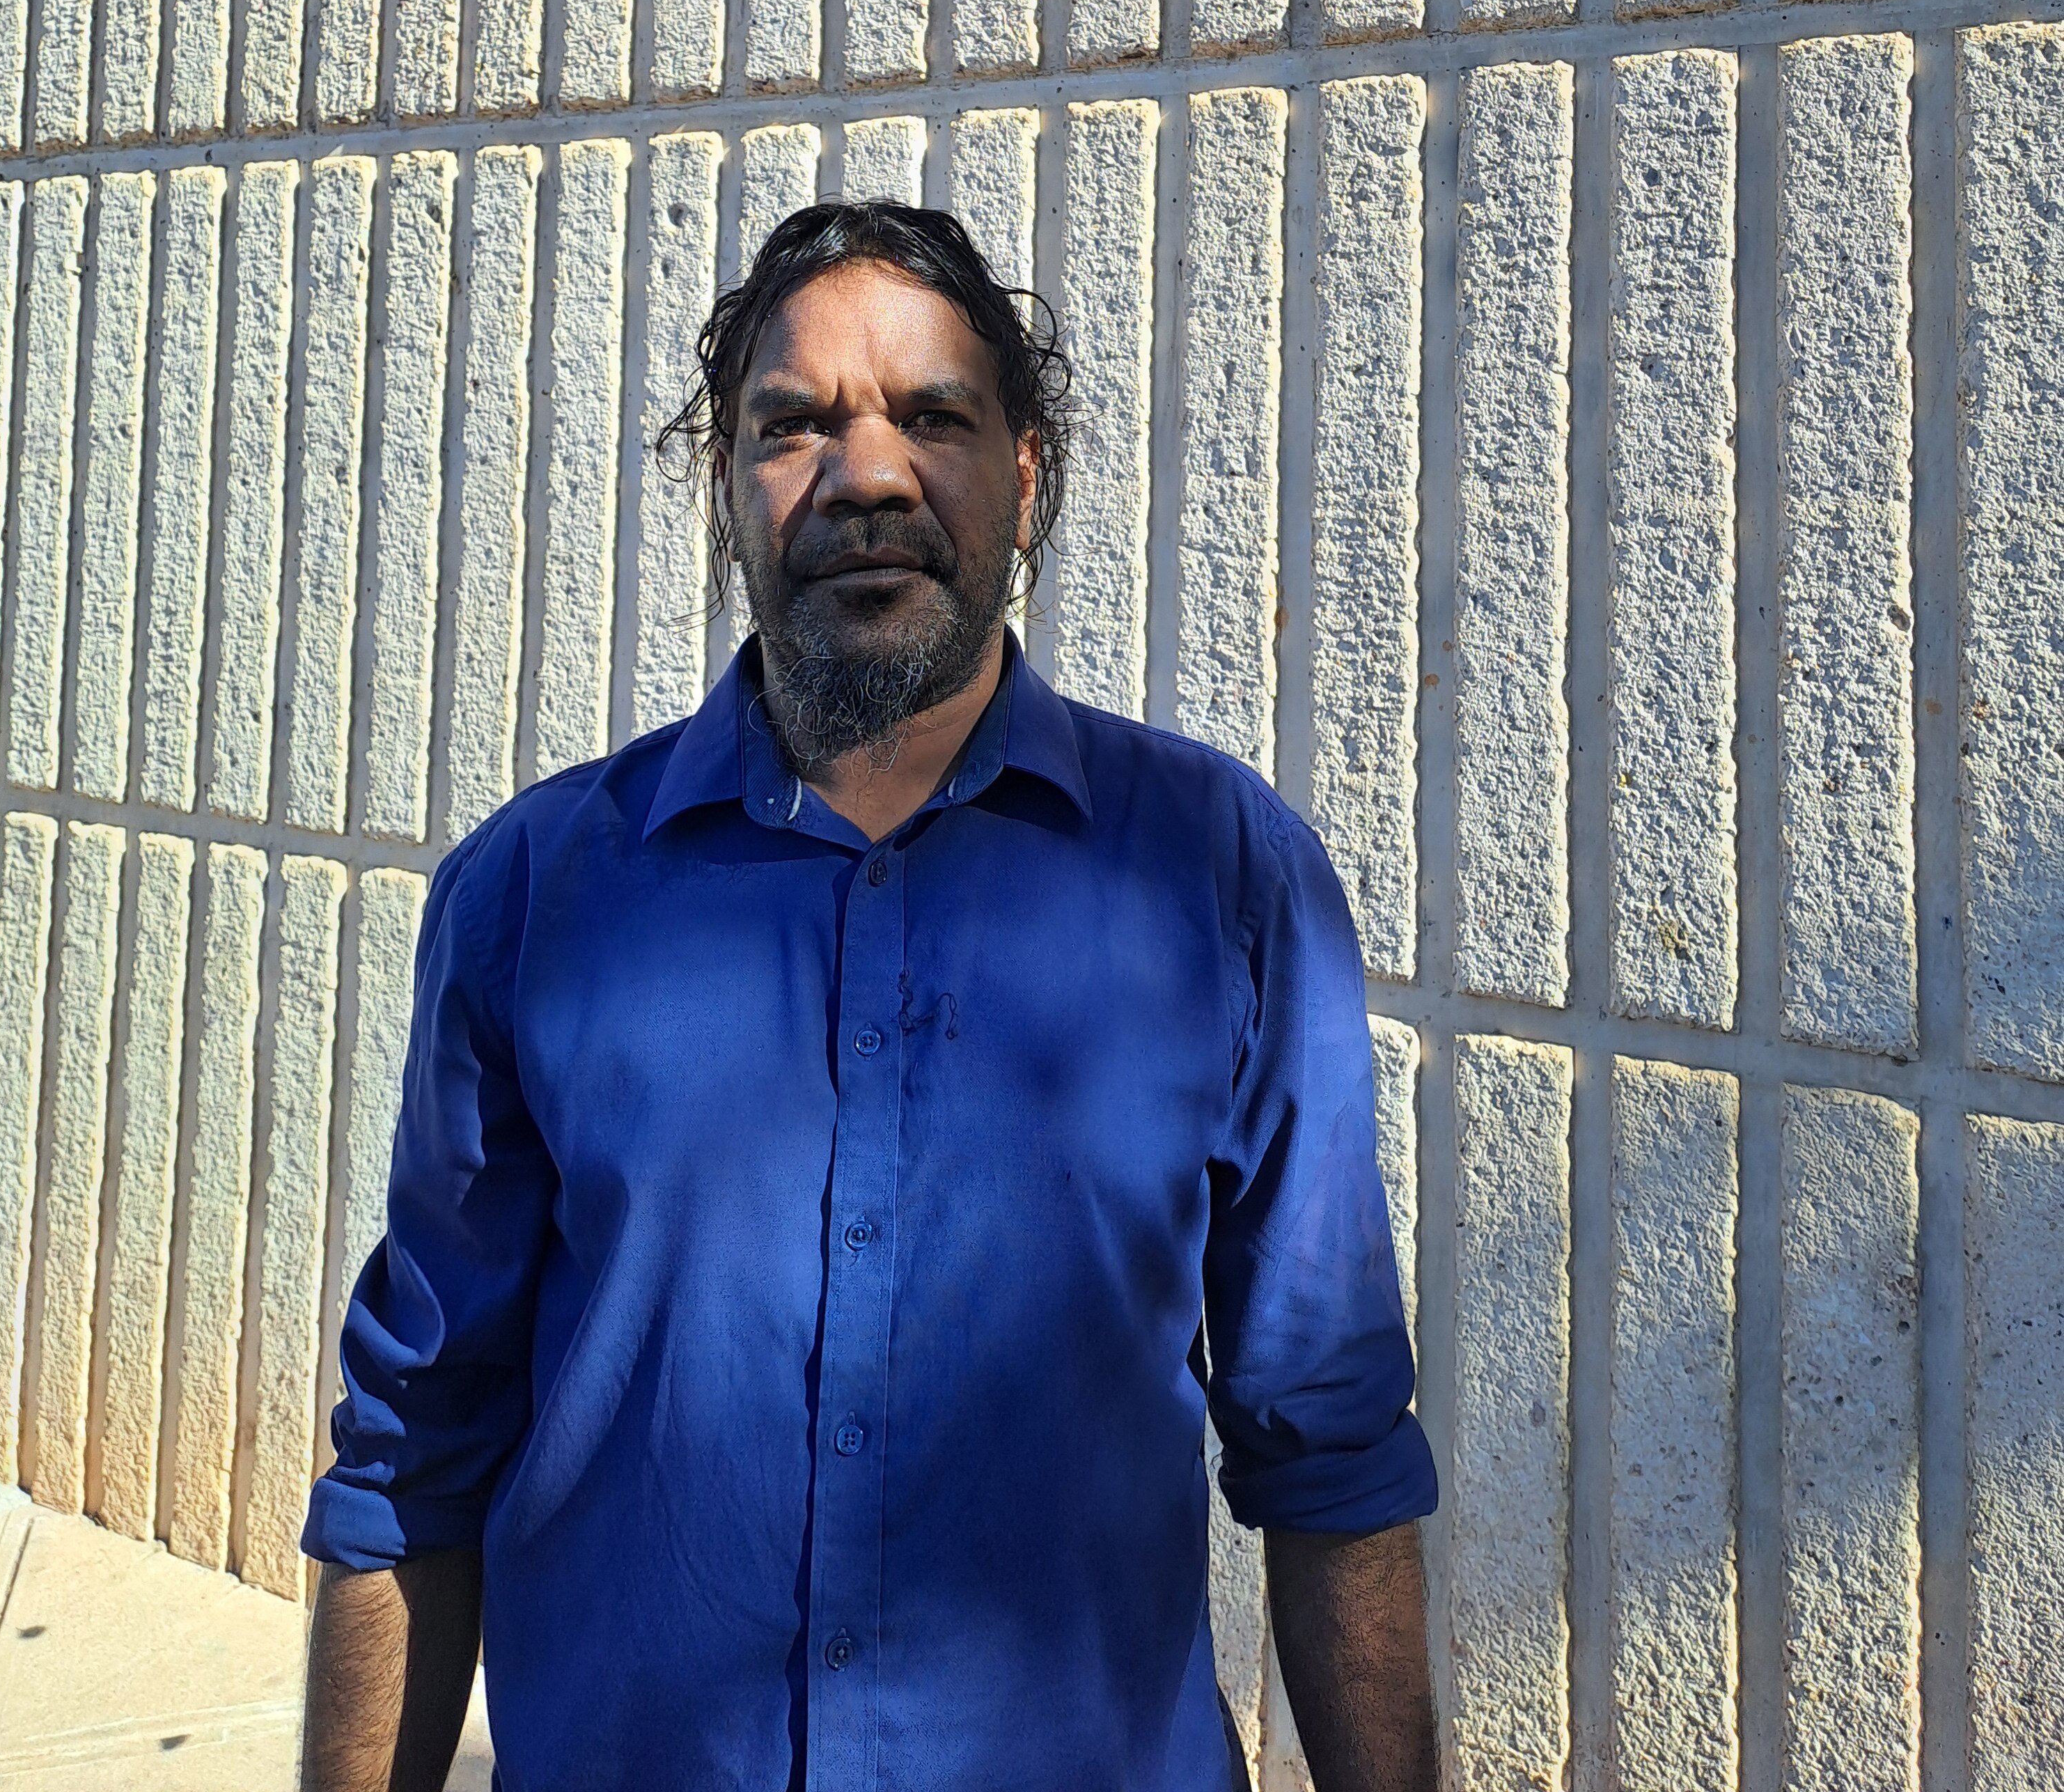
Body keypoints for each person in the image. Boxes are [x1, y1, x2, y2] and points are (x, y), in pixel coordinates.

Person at [299, 201, 1439, 1792]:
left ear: (1026, 476)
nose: (870, 474)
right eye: (796, 423)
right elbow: (412, 1446)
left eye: (935, 414)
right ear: (730, 488)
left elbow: (1331, 1446)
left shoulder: (1224, 877)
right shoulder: (535, 892)